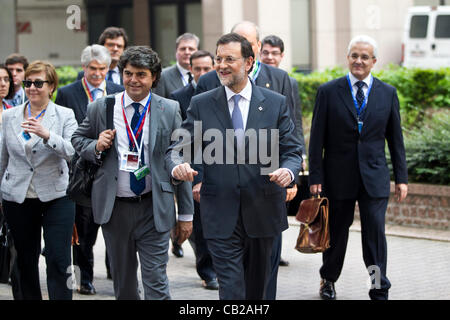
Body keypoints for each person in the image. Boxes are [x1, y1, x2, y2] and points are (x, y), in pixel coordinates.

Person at [166, 33, 302, 300]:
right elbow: (177, 148)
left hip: (264, 212)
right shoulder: (202, 103)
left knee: (260, 292)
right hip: (220, 214)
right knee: (232, 291)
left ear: (249, 62)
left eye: (230, 59)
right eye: (219, 58)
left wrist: (287, 170)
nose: (221, 65)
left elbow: (292, 149)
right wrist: (177, 166)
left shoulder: (275, 103)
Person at [71, 46, 193, 300]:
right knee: (124, 285)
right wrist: (95, 145)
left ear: (154, 78)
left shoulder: (169, 109)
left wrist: (185, 213)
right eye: (128, 73)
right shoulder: (101, 108)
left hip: (154, 207)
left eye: (141, 74)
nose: (133, 80)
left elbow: (177, 154)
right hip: (115, 209)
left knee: (156, 281)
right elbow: (77, 138)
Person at [308, 35, 408, 300]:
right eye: (354, 55)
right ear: (348, 58)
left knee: (374, 236)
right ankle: (328, 279)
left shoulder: (387, 93)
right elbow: (316, 138)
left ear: (374, 61)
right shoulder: (329, 91)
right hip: (338, 177)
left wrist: (402, 178)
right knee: (337, 234)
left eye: (365, 57)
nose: (359, 61)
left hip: (374, 177)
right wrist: (315, 176)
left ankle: (378, 285)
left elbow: (395, 139)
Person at [0, 60, 78, 300]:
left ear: (52, 86)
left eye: (38, 83)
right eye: (28, 83)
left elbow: (73, 152)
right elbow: (2, 159)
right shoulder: (8, 116)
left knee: (58, 257)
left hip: (56, 195)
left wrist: (47, 135)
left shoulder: (64, 115)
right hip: (18, 196)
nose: (32, 87)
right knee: (24, 259)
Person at [55, 44, 123, 295]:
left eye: (102, 69)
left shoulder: (119, 91)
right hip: (83, 172)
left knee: (117, 227)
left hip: (114, 171)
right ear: (84, 68)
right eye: (92, 68)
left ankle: (117, 272)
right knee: (84, 231)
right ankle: (84, 278)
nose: (97, 74)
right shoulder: (67, 93)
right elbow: (68, 133)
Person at [169, 50, 218, 290]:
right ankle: (207, 271)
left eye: (206, 68)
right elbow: (184, 140)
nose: (202, 73)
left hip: (223, 166)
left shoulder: (224, 93)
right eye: (197, 69)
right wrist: (197, 175)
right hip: (195, 170)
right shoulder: (180, 97)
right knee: (200, 224)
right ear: (190, 70)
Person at [153, 33, 199, 99]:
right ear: (176, 51)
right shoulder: (163, 76)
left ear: (197, 51)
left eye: (191, 49)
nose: (187, 52)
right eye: (183, 49)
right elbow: (158, 104)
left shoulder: (204, 74)